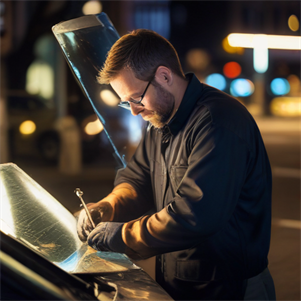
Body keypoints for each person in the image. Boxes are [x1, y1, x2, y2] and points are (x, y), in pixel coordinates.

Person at [77, 29, 276, 301]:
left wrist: (123, 235)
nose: (134, 110)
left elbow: (195, 214)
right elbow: (137, 180)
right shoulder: (159, 120)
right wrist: (107, 207)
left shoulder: (218, 122)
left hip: (229, 286)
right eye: (126, 103)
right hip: (181, 284)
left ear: (164, 76)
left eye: (136, 98)